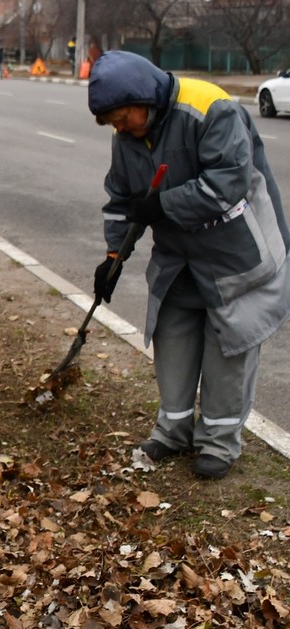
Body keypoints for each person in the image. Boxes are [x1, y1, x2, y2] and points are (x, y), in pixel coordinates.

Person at [87, 50, 290, 479]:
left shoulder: (211, 108)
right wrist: (113, 258)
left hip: (235, 255)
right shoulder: (126, 137)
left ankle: (218, 442)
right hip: (179, 258)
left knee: (228, 349)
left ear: (145, 99)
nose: (119, 129)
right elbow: (122, 200)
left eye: (123, 118)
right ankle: (173, 430)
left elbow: (227, 185)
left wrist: (160, 205)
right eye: (113, 124)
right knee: (172, 341)